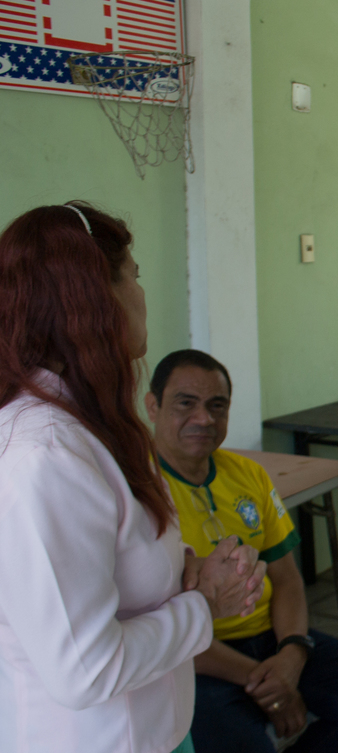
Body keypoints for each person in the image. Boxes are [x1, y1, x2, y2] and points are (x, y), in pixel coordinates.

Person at [0, 203, 267, 753]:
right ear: (97, 297)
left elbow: (115, 563)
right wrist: (206, 605)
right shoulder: (44, 455)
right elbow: (86, 672)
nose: (143, 295)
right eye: (136, 277)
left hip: (160, 729)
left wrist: (187, 572)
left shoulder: (97, 423)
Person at [145, 349, 338, 753]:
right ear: (152, 405)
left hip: (272, 638)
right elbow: (157, 624)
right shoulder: (137, 493)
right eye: (185, 403)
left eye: (218, 406)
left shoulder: (247, 474)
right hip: (196, 661)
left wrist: (291, 653)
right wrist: (267, 681)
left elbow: (285, 577)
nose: (204, 419)